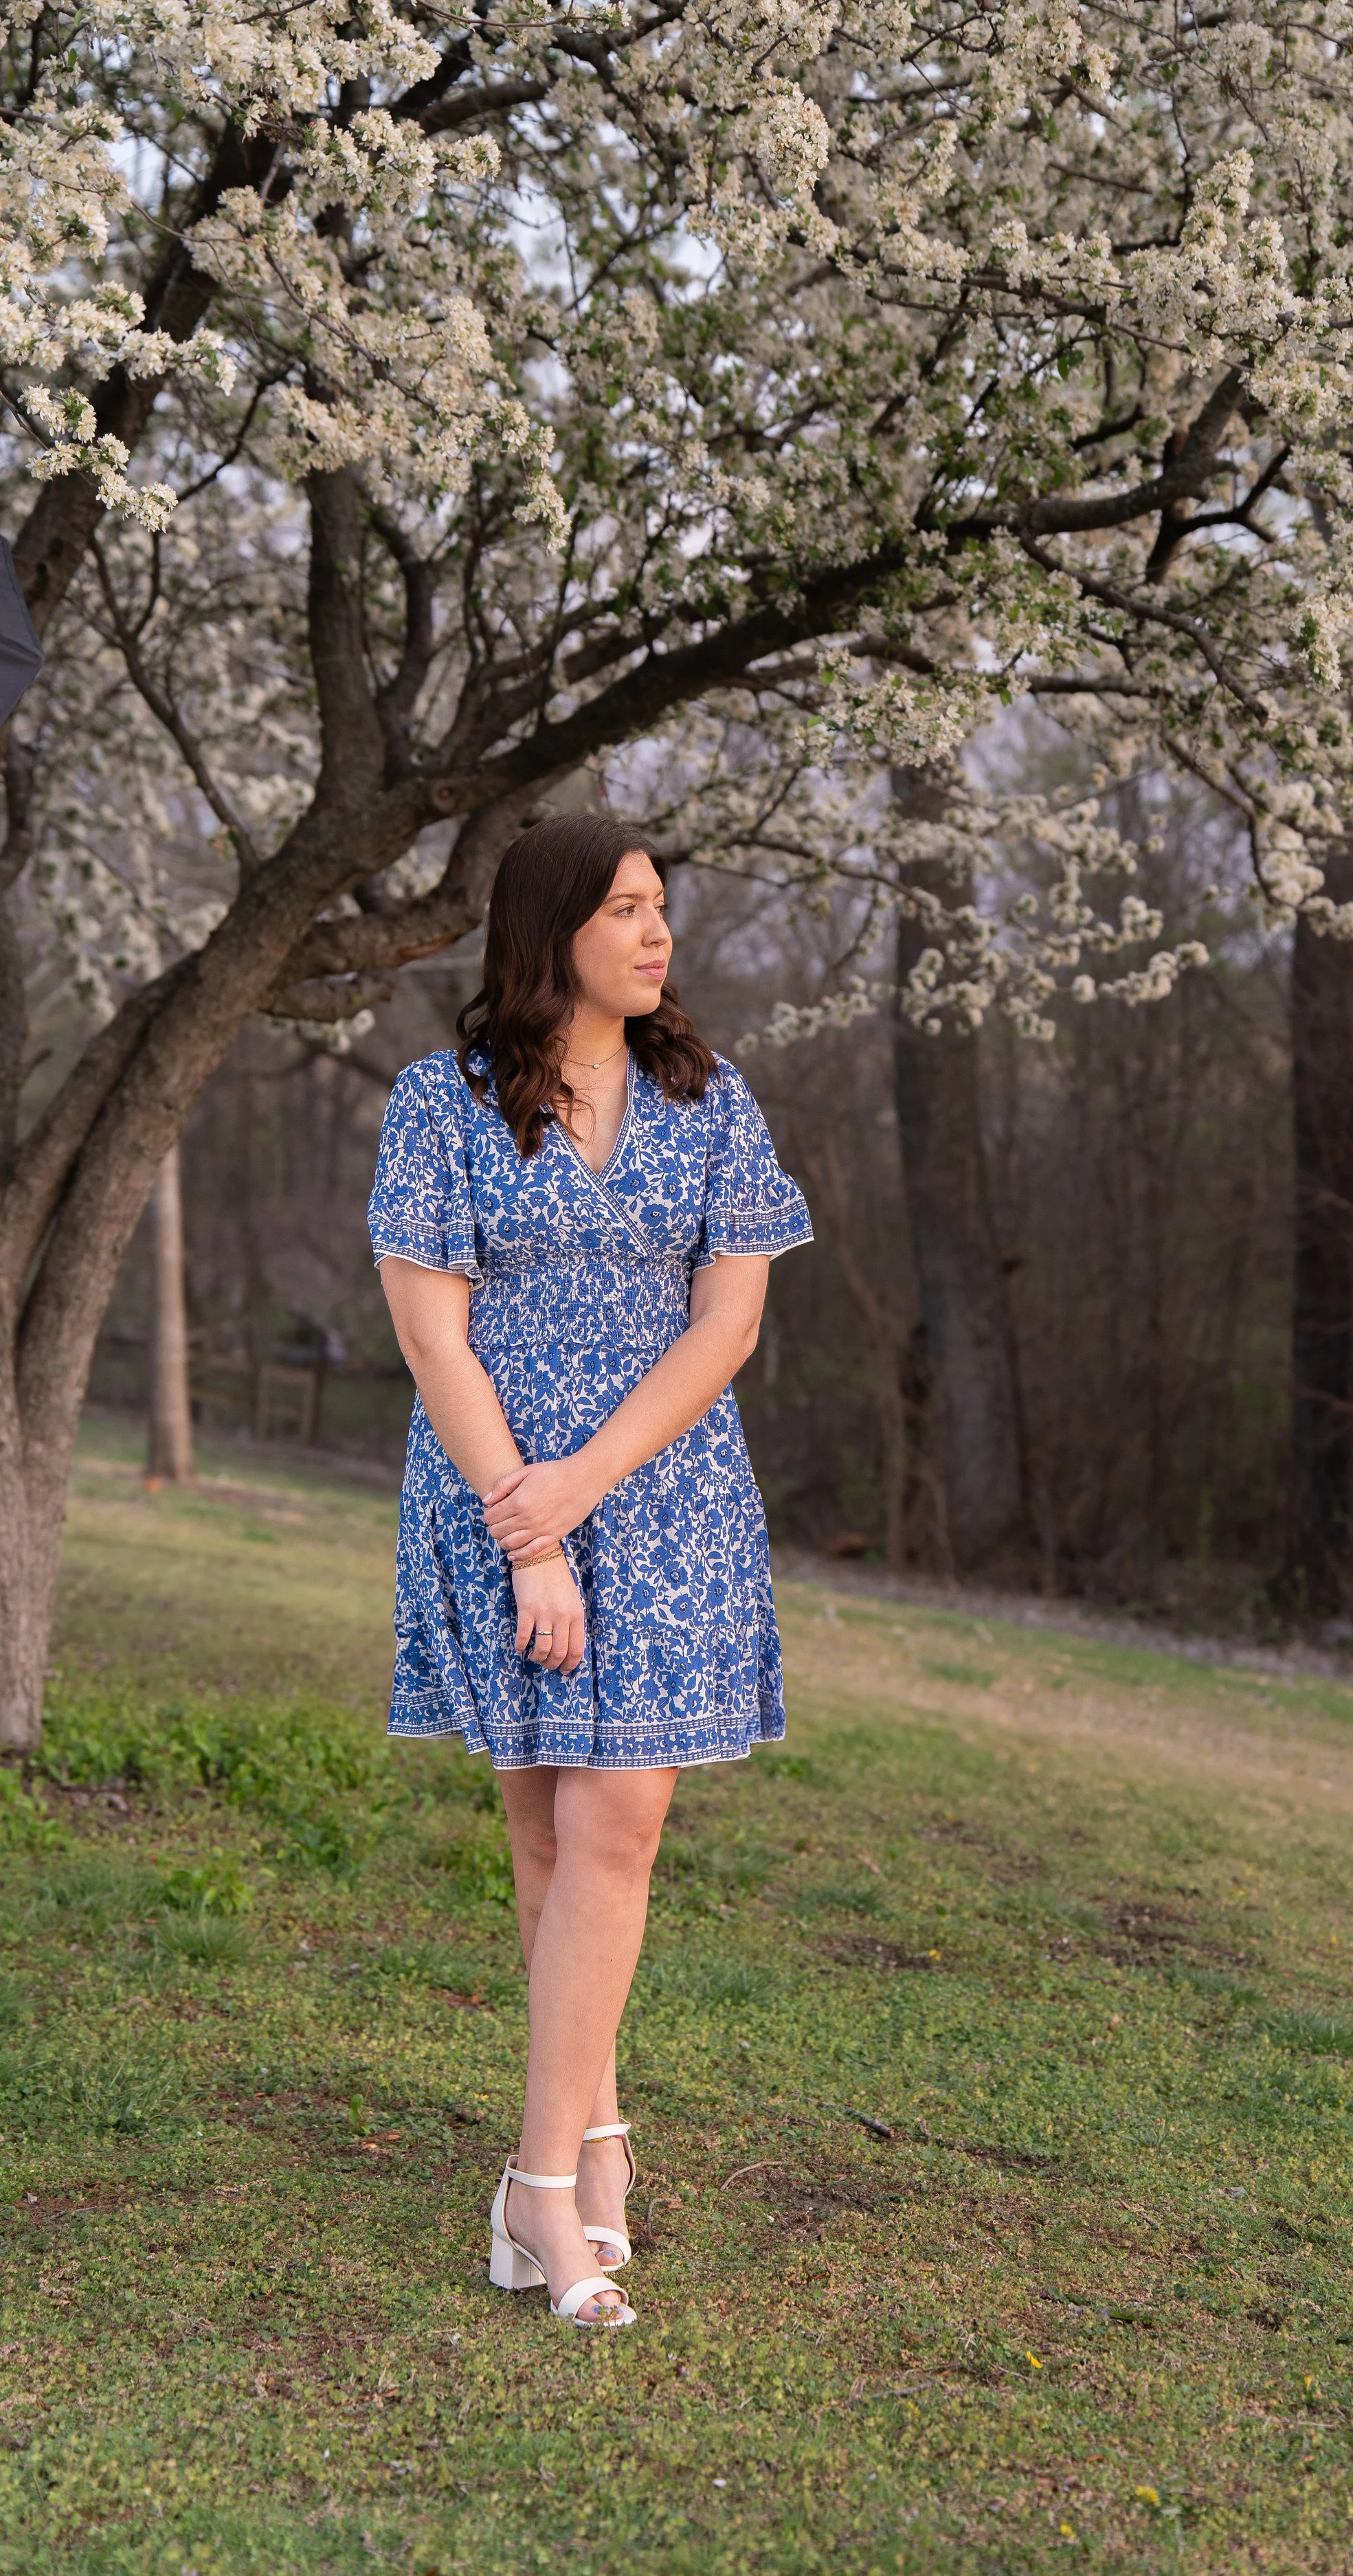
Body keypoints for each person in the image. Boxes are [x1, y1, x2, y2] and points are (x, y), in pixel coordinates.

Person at [367, 813, 812, 2327]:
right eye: (624, 909)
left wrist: (591, 1484)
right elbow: (433, 1336)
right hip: (496, 1495)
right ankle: (590, 2151)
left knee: (614, 1826)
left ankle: (538, 2190)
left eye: (660, 910)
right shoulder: (443, 1105)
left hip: (668, 1497)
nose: (655, 934)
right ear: (548, 930)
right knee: (552, 1847)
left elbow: (725, 1327)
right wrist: (531, 1524)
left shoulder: (712, 1099)